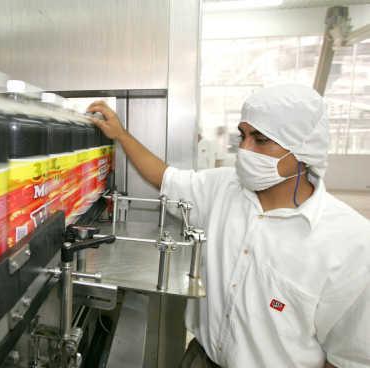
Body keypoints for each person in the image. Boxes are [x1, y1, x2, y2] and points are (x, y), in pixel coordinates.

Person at [87, 84, 370, 368]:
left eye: (260, 140)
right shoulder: (223, 188)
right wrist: (120, 135)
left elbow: (350, 357)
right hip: (200, 358)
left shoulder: (350, 243)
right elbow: (164, 177)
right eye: (243, 136)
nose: (245, 149)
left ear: (304, 148)